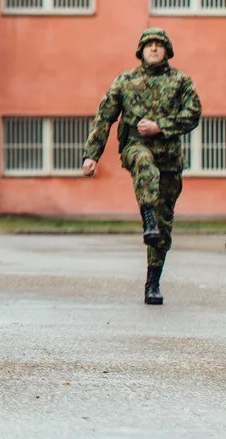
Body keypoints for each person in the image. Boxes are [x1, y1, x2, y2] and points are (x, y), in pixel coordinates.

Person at [81, 28, 202, 306]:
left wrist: (161, 126)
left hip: (169, 159)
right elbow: (104, 118)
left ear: (167, 50)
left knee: (164, 226)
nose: (154, 49)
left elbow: (193, 113)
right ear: (141, 50)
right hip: (135, 148)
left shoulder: (181, 81)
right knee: (144, 164)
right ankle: (147, 216)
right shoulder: (126, 81)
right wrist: (91, 155)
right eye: (149, 45)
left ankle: (153, 283)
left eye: (160, 44)